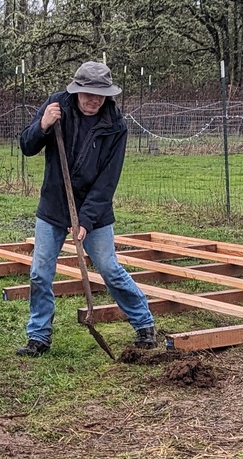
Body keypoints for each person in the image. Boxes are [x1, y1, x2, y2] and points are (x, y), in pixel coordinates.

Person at [16, 60, 157, 357]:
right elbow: (27, 146)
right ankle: (38, 336)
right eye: (87, 93)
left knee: (109, 268)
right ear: (76, 90)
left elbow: (108, 180)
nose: (93, 100)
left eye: (99, 95)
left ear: (108, 95)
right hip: (54, 205)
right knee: (40, 272)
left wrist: (87, 220)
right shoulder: (57, 105)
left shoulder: (115, 125)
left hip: (95, 209)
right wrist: (43, 125)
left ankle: (144, 324)